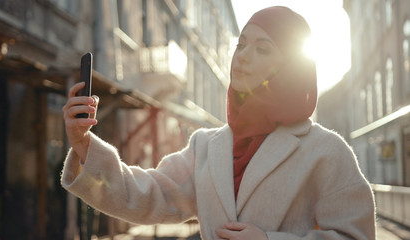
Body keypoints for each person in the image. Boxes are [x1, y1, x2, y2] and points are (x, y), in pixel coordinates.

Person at [61, 6, 376, 240]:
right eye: (241, 44)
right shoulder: (207, 145)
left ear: (291, 66)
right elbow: (148, 194)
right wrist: (83, 145)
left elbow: (356, 236)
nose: (243, 56)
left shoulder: (326, 151)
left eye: (263, 48)